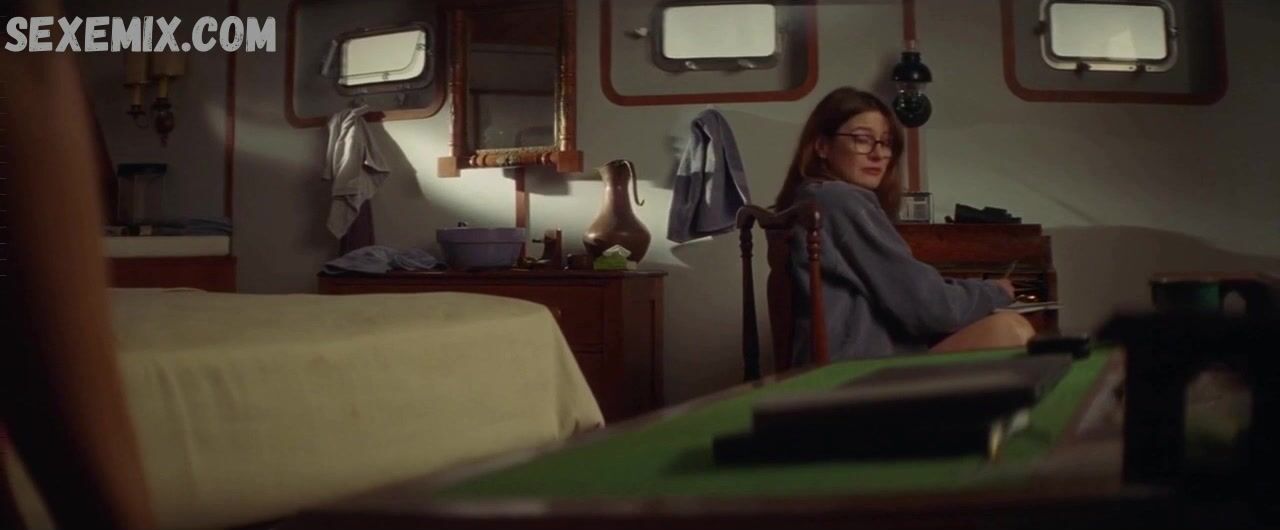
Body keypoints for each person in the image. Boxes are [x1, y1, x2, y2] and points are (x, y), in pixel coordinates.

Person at [775, 87, 1034, 364]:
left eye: (886, 143)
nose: (878, 154)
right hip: (855, 371)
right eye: (862, 139)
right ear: (822, 146)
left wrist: (968, 291)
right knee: (1010, 330)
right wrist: (996, 292)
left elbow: (911, 292)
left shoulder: (813, 198)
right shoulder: (840, 200)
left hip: (855, 362)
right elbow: (929, 308)